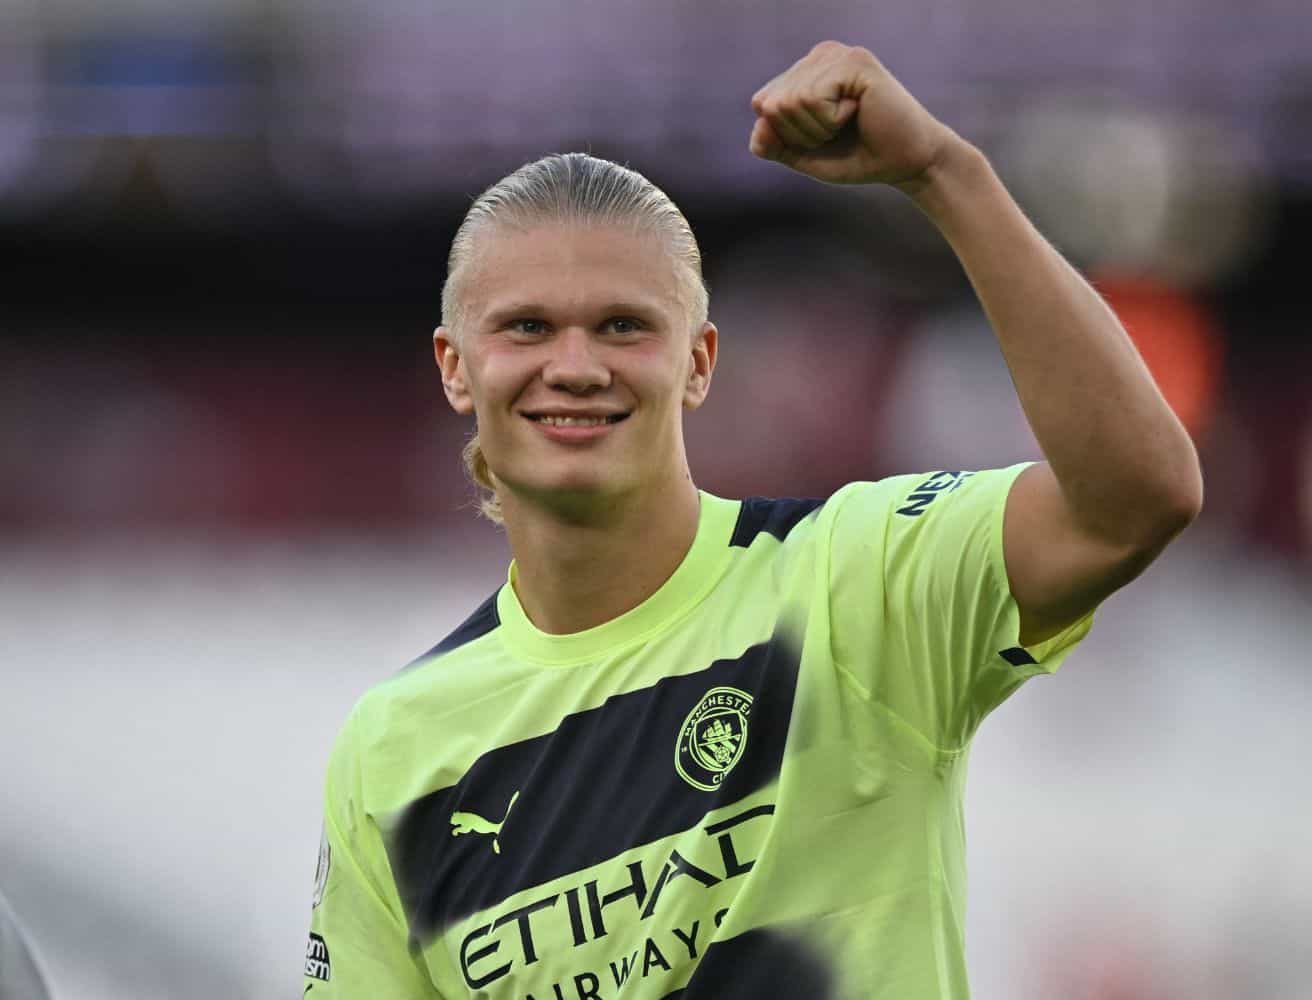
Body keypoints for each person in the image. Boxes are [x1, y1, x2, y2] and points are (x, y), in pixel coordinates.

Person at [303, 41, 1201, 999]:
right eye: (527, 327)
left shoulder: (856, 581)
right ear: (454, 367)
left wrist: (946, 174)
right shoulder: (396, 748)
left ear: (698, 362)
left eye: (623, 326)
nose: (575, 366)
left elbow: (1136, 501)